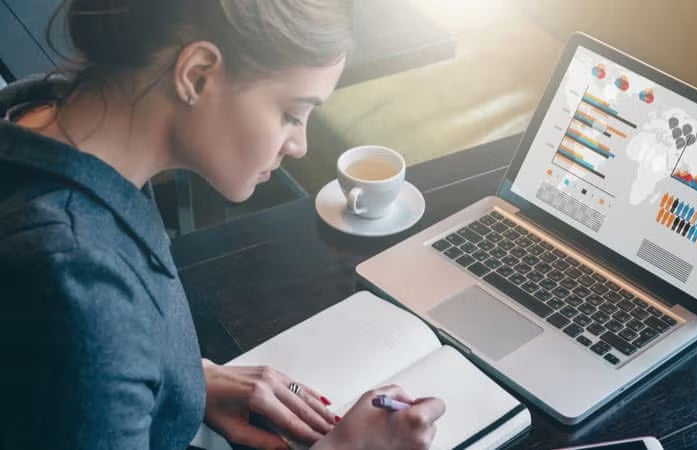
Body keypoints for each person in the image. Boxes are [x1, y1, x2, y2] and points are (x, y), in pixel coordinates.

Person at [0, 1, 445, 449]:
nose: (301, 145)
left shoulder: (40, 112)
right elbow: (80, 324)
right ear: (197, 75)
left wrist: (172, 381)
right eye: (291, 114)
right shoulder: (79, 288)